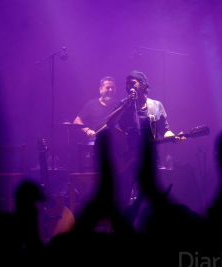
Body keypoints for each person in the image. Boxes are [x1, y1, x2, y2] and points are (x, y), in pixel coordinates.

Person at [104, 70, 185, 211]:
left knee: (149, 201)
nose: (128, 85)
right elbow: (110, 123)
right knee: (123, 199)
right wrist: (126, 105)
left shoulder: (156, 105)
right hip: (126, 159)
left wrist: (174, 137)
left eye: (132, 82)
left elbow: (164, 130)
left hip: (149, 159)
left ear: (143, 85)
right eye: (126, 83)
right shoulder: (123, 104)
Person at [73, 76, 117, 143]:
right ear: (100, 90)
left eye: (112, 88)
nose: (110, 90)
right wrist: (88, 130)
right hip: (96, 140)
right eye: (108, 88)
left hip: (114, 140)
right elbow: (76, 121)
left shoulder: (119, 105)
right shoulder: (92, 104)